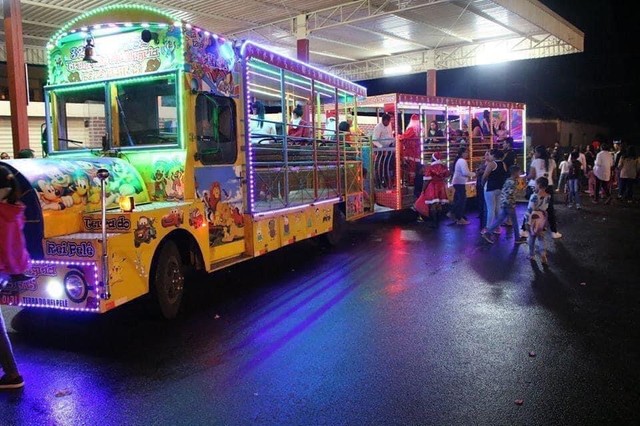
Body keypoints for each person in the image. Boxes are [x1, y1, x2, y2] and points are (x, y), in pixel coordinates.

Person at [0, 165, 29, 390]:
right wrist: (17, 270)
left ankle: (12, 374)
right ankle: (11, 373)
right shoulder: (13, 211)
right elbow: (16, 248)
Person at [481, 165, 524, 244]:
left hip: (505, 203)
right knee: (514, 221)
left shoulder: (508, 180)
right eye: (519, 172)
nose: (520, 173)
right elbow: (511, 194)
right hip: (509, 204)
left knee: (500, 219)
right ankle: (517, 238)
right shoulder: (513, 182)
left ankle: (488, 232)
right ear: (516, 173)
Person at [527, 145, 561, 239]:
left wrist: (526, 178)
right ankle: (554, 231)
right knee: (549, 209)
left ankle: (525, 230)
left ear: (539, 153)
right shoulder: (552, 161)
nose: (534, 153)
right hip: (548, 186)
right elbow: (554, 176)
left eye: (535, 152)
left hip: (536, 186)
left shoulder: (535, 161)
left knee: (532, 207)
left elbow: (532, 175)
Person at [525, 176, 552, 265]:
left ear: (539, 185)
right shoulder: (548, 196)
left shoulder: (534, 196)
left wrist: (527, 222)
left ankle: (531, 255)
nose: (535, 186)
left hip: (534, 217)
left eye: (536, 184)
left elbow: (530, 209)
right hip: (543, 217)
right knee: (541, 237)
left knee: (532, 237)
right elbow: (546, 207)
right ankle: (543, 253)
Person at [481, 149, 508, 234]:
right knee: (497, 209)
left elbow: (485, 176)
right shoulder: (503, 164)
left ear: (494, 155)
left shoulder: (492, 164)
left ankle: (488, 228)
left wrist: (482, 183)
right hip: (499, 188)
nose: (489, 156)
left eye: (490, 155)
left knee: (490, 209)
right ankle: (497, 227)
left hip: (490, 188)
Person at [421, 152, 450, 226]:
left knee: (433, 205)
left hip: (433, 186)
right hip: (441, 186)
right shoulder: (444, 167)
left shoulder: (430, 168)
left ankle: (434, 222)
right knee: (439, 204)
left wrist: (423, 189)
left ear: (433, 158)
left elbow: (426, 180)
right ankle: (438, 221)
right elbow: (447, 176)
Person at [451, 147, 475, 225]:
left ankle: (455, 214)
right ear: (462, 153)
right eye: (466, 152)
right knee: (462, 200)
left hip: (457, 182)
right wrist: (474, 174)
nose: (467, 154)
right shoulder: (462, 161)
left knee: (458, 199)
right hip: (459, 183)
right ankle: (458, 217)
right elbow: (465, 172)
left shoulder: (459, 160)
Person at [398, 114, 422, 186]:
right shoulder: (420, 129)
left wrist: (398, 136)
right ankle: (415, 181)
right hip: (417, 150)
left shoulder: (411, 129)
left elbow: (404, 137)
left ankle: (411, 182)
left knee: (410, 167)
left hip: (410, 151)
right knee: (415, 167)